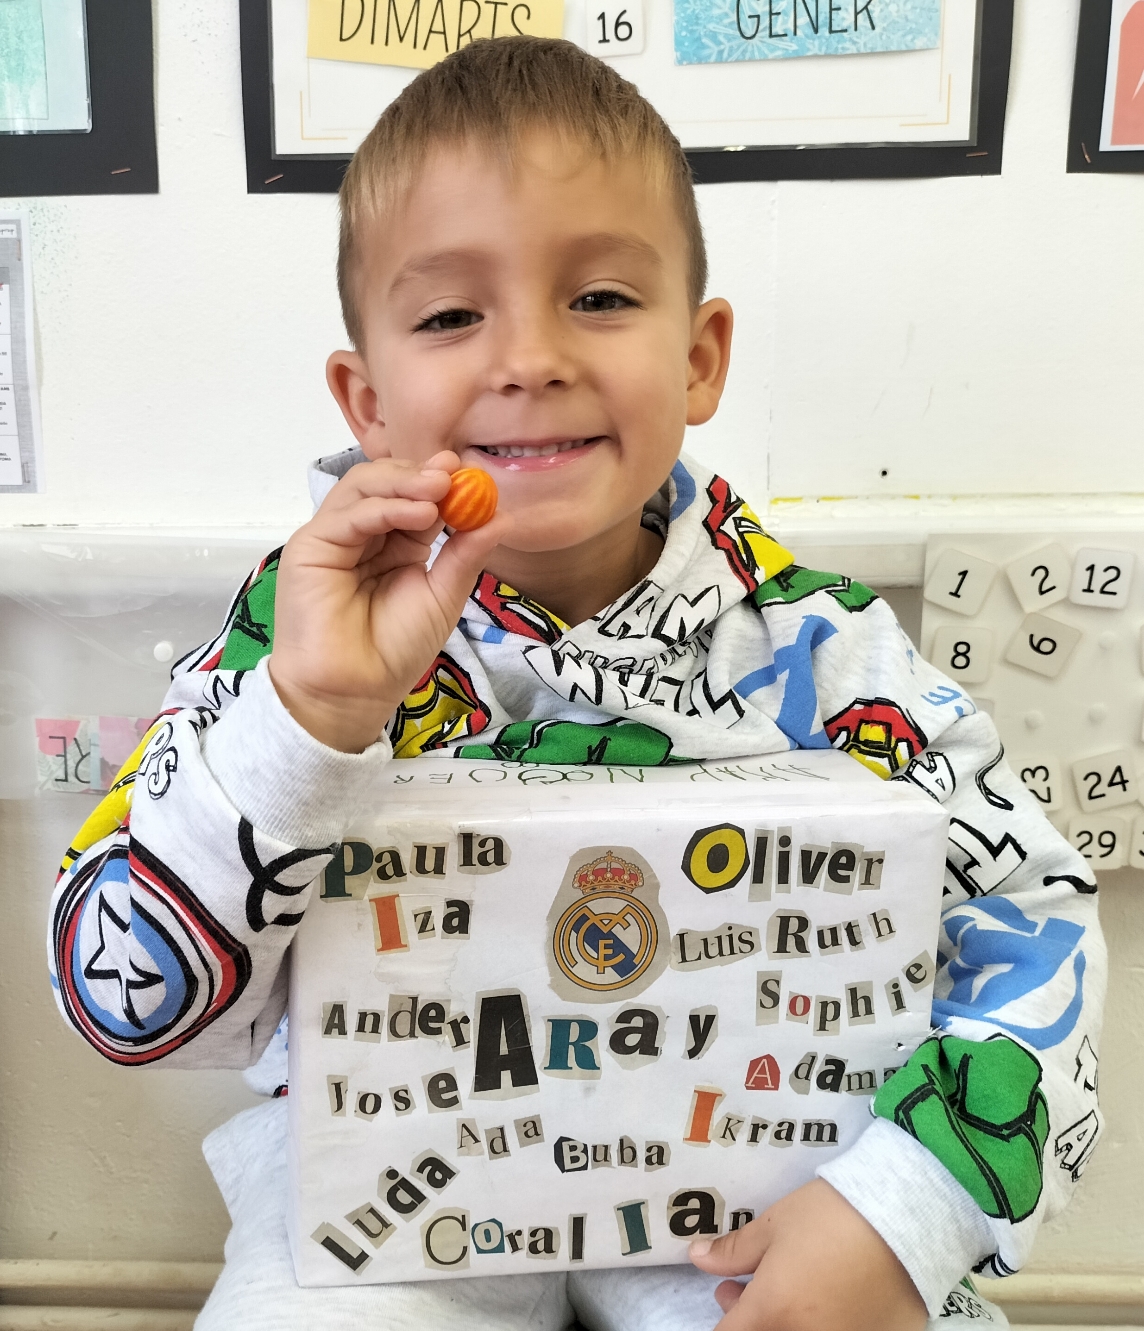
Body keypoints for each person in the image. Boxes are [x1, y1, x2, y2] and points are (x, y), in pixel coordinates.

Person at [47, 36, 1105, 1331]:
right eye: (451, 316)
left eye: (599, 296)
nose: (530, 357)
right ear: (367, 402)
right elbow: (122, 1005)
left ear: (700, 357)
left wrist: (903, 1209)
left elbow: (1030, 916)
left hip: (759, 1184)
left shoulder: (825, 653)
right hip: (383, 1198)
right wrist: (307, 725)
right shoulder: (297, 634)